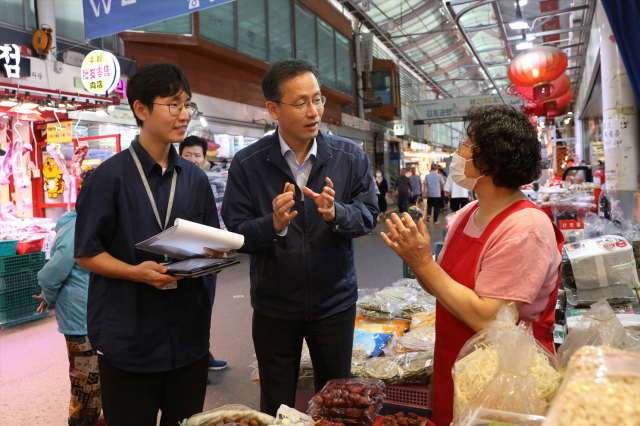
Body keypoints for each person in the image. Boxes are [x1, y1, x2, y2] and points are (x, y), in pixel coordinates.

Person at [380, 105, 563, 426]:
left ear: (489, 160)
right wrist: (417, 261)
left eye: (466, 143)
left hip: (506, 378)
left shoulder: (526, 227)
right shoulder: (467, 214)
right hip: (456, 363)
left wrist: (423, 262)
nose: (458, 152)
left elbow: (488, 317)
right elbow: (440, 284)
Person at [221, 59, 378, 416]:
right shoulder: (248, 163)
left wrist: (339, 213)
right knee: (276, 401)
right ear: (274, 109)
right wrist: (272, 224)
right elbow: (235, 232)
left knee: (340, 399)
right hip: (274, 306)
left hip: (334, 304)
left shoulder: (349, 156)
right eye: (301, 102)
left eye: (318, 99)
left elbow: (369, 215)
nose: (314, 111)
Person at [74, 63, 226, 426]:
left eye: (188, 105)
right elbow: (86, 254)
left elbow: (209, 243)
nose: (185, 114)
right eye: (173, 104)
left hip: (188, 339)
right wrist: (135, 272)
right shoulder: (107, 179)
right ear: (141, 110)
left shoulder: (195, 179)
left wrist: (215, 253)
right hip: (129, 340)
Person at [33, 206, 101, 426]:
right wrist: (48, 295)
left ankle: (90, 418)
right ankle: (80, 421)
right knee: (85, 381)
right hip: (81, 318)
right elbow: (52, 273)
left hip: (92, 316)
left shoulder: (88, 223)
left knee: (93, 378)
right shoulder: (75, 229)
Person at [179, 136, 228, 378]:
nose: (192, 159)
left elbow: (223, 216)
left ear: (205, 159)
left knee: (204, 308)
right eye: (187, 155)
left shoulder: (215, 183)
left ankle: (203, 357)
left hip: (209, 255)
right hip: (183, 256)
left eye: (197, 155)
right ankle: (195, 364)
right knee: (187, 310)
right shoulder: (174, 184)